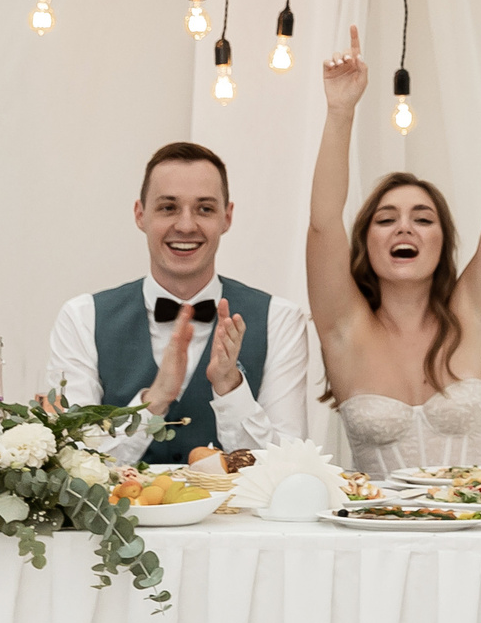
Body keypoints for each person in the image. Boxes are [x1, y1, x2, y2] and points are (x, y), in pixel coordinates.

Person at [309, 21, 481, 475]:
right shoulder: (344, 327)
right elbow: (323, 223)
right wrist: (340, 112)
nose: (404, 229)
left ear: (443, 240)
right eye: (386, 219)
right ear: (365, 242)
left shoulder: (475, 312)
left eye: (423, 219)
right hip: (375, 539)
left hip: (473, 539)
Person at [44, 140, 309, 465]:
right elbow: (71, 460)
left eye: (205, 209)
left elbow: (290, 466)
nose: (185, 225)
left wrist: (230, 388)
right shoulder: (82, 317)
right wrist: (153, 402)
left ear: (227, 217)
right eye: (168, 207)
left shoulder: (279, 320)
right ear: (140, 214)